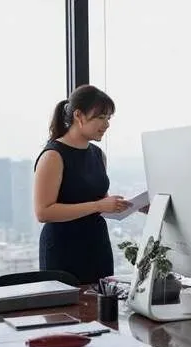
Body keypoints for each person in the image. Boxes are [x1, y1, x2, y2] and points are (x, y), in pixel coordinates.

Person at [34, 85, 131, 285]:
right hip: (63, 248)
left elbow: (101, 203)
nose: (106, 124)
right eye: (100, 117)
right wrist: (98, 206)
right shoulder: (53, 156)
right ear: (78, 116)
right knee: (67, 303)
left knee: (101, 301)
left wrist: (133, 206)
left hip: (97, 244)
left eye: (108, 118)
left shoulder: (98, 155)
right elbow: (43, 212)